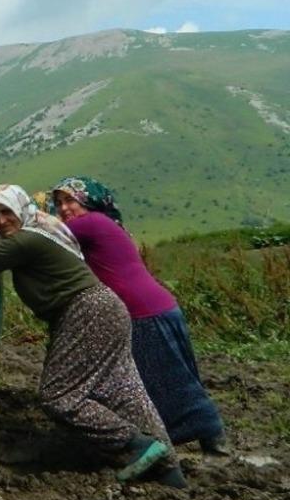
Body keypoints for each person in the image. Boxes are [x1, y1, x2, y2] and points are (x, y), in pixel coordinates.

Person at [0, 184, 184, 487]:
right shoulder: (33, 230)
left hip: (83, 313)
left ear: (21, 209)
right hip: (105, 309)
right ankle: (169, 470)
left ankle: (135, 444)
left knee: (59, 396)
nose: (0, 220)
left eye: (6, 212)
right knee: (127, 390)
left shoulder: (25, 241)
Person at [50, 176, 226, 453]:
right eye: (58, 203)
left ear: (89, 201)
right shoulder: (105, 225)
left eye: (70, 200)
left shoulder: (90, 223)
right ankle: (203, 435)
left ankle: (186, 436)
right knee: (175, 376)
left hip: (142, 312)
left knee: (155, 379)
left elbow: (44, 233)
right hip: (157, 307)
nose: (63, 208)